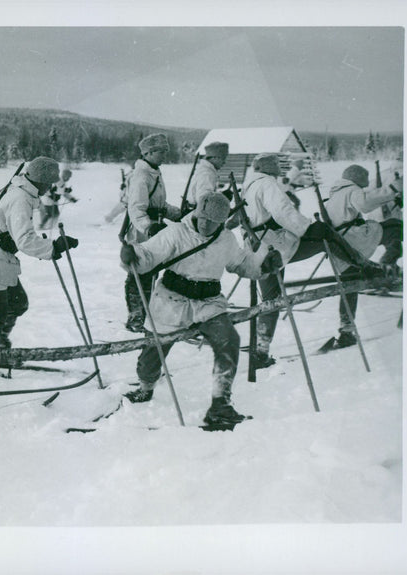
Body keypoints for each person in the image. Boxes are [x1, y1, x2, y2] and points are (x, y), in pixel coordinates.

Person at [119, 193, 283, 428]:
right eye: (202, 218)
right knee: (153, 351)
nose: (205, 224)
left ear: (222, 221)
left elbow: (241, 263)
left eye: (212, 221)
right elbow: (148, 254)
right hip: (171, 301)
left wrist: (263, 264)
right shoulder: (177, 232)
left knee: (228, 340)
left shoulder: (226, 240)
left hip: (208, 303)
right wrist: (132, 255)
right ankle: (146, 387)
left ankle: (221, 404)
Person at [230, 154, 385, 368]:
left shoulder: (247, 186)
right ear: (268, 167)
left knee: (271, 298)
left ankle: (261, 350)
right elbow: (284, 212)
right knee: (324, 233)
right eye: (276, 165)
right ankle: (362, 265)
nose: (279, 169)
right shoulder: (267, 184)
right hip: (276, 246)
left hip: (258, 249)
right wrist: (306, 228)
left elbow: (234, 217)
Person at [0, 156, 79, 358]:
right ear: (41, 180)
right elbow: (25, 240)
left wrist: (51, 247)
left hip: (1, 257)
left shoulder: (24, 193)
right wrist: (54, 247)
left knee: (16, 303)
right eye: (49, 183)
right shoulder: (20, 199)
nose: (50, 188)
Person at [323, 164, 400, 348]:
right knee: (396, 226)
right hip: (353, 240)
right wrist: (393, 190)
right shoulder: (351, 190)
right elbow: (365, 203)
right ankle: (387, 265)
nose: (367, 181)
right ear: (357, 177)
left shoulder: (337, 193)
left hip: (339, 246)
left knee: (350, 286)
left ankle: (347, 330)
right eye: (365, 177)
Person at [121, 133, 182, 333]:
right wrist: (149, 227)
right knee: (139, 271)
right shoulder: (141, 175)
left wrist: (179, 213)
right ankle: (136, 316)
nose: (165, 155)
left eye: (166, 151)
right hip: (141, 231)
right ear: (148, 152)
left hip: (153, 228)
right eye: (161, 151)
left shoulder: (154, 172)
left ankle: (145, 314)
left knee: (150, 270)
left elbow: (160, 204)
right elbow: (136, 208)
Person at [184, 141, 229, 212]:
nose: (224, 162)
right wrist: (222, 198)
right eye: (223, 158)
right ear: (215, 158)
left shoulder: (206, 170)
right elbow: (203, 200)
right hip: (198, 216)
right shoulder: (207, 174)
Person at [378, 152, 403, 266]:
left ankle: (389, 266)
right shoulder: (401, 173)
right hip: (390, 214)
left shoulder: (388, 172)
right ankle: (386, 267)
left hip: (384, 213)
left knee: (394, 244)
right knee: (395, 243)